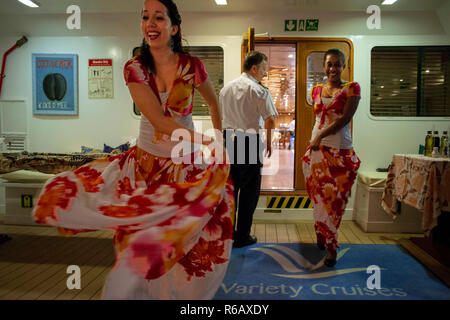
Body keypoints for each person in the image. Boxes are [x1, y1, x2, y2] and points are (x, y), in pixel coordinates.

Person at [32, 0, 234, 300]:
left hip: (185, 166)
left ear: (174, 27)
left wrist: (219, 138)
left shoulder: (192, 66)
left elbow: (214, 104)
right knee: (139, 246)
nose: (150, 23)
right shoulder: (135, 67)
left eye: (158, 17)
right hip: (146, 168)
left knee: (186, 245)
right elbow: (159, 122)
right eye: (145, 17)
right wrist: (207, 142)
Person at [302, 48, 361, 267]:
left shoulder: (352, 89)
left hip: (340, 151)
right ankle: (321, 233)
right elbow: (319, 118)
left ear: (343, 66)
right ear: (324, 67)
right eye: (329, 64)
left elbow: (345, 119)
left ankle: (331, 246)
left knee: (334, 202)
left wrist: (321, 136)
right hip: (317, 150)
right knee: (318, 197)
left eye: (337, 64)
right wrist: (314, 141)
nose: (333, 68)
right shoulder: (315, 90)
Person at [220, 51, 278, 248]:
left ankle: (226, 234)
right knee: (249, 192)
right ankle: (242, 236)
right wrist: (269, 142)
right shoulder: (259, 90)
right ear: (254, 68)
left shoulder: (225, 89)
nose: (265, 73)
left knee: (230, 190)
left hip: (229, 140)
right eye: (263, 69)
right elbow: (270, 119)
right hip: (249, 141)